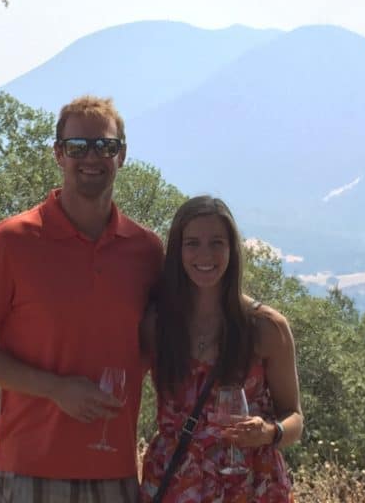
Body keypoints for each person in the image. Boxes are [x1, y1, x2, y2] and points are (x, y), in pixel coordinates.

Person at [0, 95, 164, 503]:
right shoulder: (10, 242)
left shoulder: (146, 251)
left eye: (106, 146)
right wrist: (55, 389)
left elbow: (169, 340)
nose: (92, 157)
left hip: (114, 474)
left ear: (122, 155)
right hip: (28, 471)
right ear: (58, 154)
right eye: (78, 147)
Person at [139, 196, 303, 503]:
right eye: (193, 243)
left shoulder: (266, 328)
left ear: (232, 250)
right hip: (174, 483)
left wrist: (269, 432)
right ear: (177, 251)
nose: (205, 254)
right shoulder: (157, 325)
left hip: (251, 486)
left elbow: (294, 418)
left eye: (216, 243)